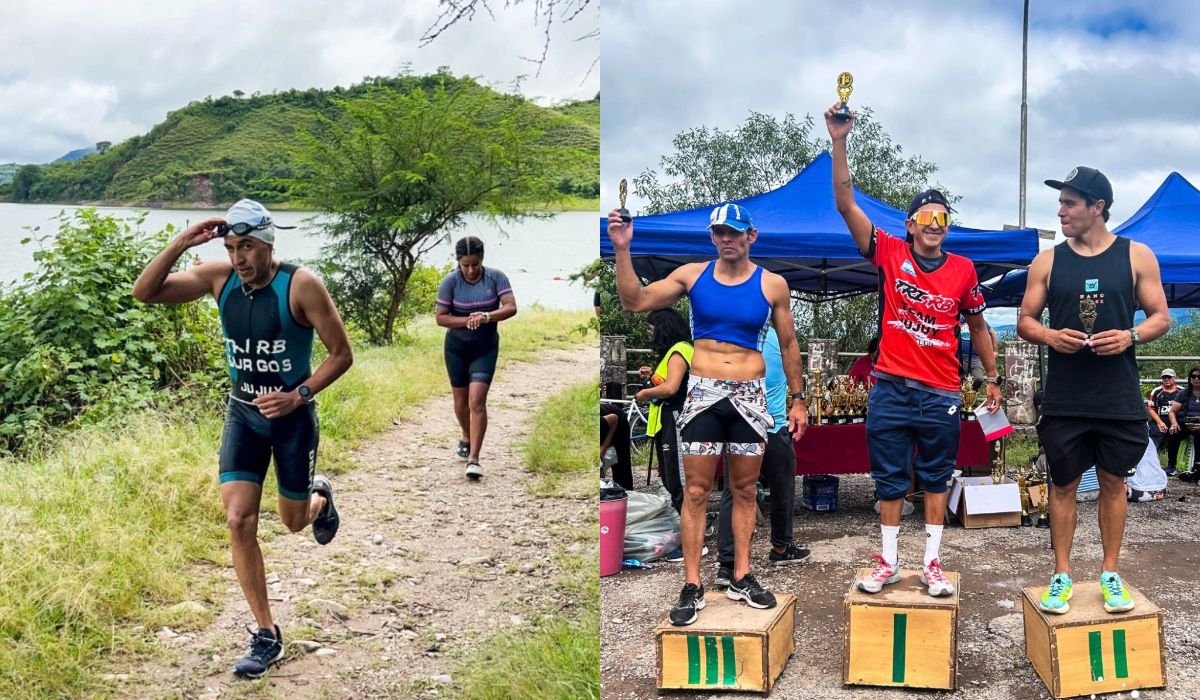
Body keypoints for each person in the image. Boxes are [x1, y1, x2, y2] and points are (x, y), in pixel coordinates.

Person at [132, 199, 352, 678]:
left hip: (292, 420)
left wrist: (297, 396)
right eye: (231, 248)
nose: (239, 258)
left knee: (292, 522)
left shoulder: (301, 285)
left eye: (248, 246)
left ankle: (318, 501)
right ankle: (267, 634)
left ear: (268, 244)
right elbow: (144, 293)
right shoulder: (219, 279)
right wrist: (182, 241)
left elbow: (341, 354)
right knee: (238, 520)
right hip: (243, 415)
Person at [826, 102, 1001, 598]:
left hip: (941, 390)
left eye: (942, 216)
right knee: (888, 478)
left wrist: (992, 378)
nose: (934, 222)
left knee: (937, 477)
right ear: (909, 223)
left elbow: (979, 325)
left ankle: (931, 564)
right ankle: (887, 561)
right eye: (925, 215)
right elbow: (846, 204)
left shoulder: (964, 269)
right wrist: (839, 141)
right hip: (891, 387)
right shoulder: (889, 251)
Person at [607, 201, 808, 627]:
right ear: (713, 237)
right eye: (720, 232)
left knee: (746, 489)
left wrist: (798, 399)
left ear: (751, 236)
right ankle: (692, 583)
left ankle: (741, 576)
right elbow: (634, 300)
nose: (727, 239)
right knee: (697, 491)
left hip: (749, 396)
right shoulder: (692, 275)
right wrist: (622, 248)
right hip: (704, 394)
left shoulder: (772, 284)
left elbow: (790, 344)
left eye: (734, 231)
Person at [1017, 166, 1170, 615]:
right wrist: (1049, 336)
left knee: (1114, 483)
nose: (1061, 211)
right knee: (1062, 484)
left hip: (1116, 394)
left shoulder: (1136, 255)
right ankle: (1062, 575)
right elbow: (1025, 320)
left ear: (1097, 206)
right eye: (1060, 203)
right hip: (1065, 396)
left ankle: (1110, 573)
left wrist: (1130, 336)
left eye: (1070, 203)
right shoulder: (1048, 261)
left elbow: (1160, 317)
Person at [715, 327, 810, 584]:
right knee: (776, 487)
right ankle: (776, 548)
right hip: (761, 424)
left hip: (755, 423)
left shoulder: (739, 333)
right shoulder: (777, 336)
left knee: (738, 490)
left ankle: (730, 562)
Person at [435, 236, 518, 480]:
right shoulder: (450, 282)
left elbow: (510, 307)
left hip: (485, 348)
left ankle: (474, 459)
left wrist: (487, 317)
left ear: (482, 259)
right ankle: (466, 435)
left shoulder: (496, 277)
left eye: (475, 264)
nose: (471, 270)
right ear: (458, 262)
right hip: (456, 349)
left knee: (477, 402)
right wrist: (468, 320)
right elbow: (441, 317)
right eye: (466, 265)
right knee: (461, 403)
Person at [634, 308, 694, 517]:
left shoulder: (680, 350)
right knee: (669, 477)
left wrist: (645, 393)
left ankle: (691, 529)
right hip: (665, 419)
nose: (650, 334)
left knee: (677, 478)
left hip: (676, 416)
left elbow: (670, 388)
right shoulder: (673, 352)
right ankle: (683, 525)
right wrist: (651, 376)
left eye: (652, 330)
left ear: (663, 329)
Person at [1147, 368, 1184, 475]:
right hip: (1160, 420)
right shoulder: (1156, 391)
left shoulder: (1182, 391)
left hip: (1177, 421)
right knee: (1153, 439)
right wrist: (1159, 422)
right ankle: (1150, 466)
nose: (1167, 379)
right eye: (1164, 377)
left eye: (1169, 377)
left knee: (1175, 437)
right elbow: (1151, 408)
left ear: (1175, 378)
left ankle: (1172, 466)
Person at [1169, 366, 1200, 482]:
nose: (1196, 379)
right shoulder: (1184, 394)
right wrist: (1174, 423)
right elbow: (1172, 412)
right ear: (1190, 379)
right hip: (1185, 423)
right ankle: (1171, 466)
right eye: (1193, 376)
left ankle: (1196, 469)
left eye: (1199, 376)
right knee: (1173, 432)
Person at [959, 318, 999, 383]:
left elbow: (992, 333)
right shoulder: (957, 321)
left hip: (976, 358)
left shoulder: (976, 319)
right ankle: (964, 389)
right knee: (959, 380)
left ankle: (971, 389)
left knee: (979, 379)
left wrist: (995, 351)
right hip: (960, 358)